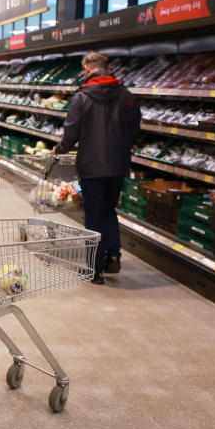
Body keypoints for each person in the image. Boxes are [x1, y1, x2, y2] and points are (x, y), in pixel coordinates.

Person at [55, 51, 141, 285]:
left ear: (87, 69)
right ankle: (113, 255)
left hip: (91, 165)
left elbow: (71, 130)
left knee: (93, 214)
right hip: (117, 164)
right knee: (109, 210)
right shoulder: (127, 95)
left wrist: (60, 149)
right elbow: (135, 130)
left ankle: (95, 269)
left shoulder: (82, 97)